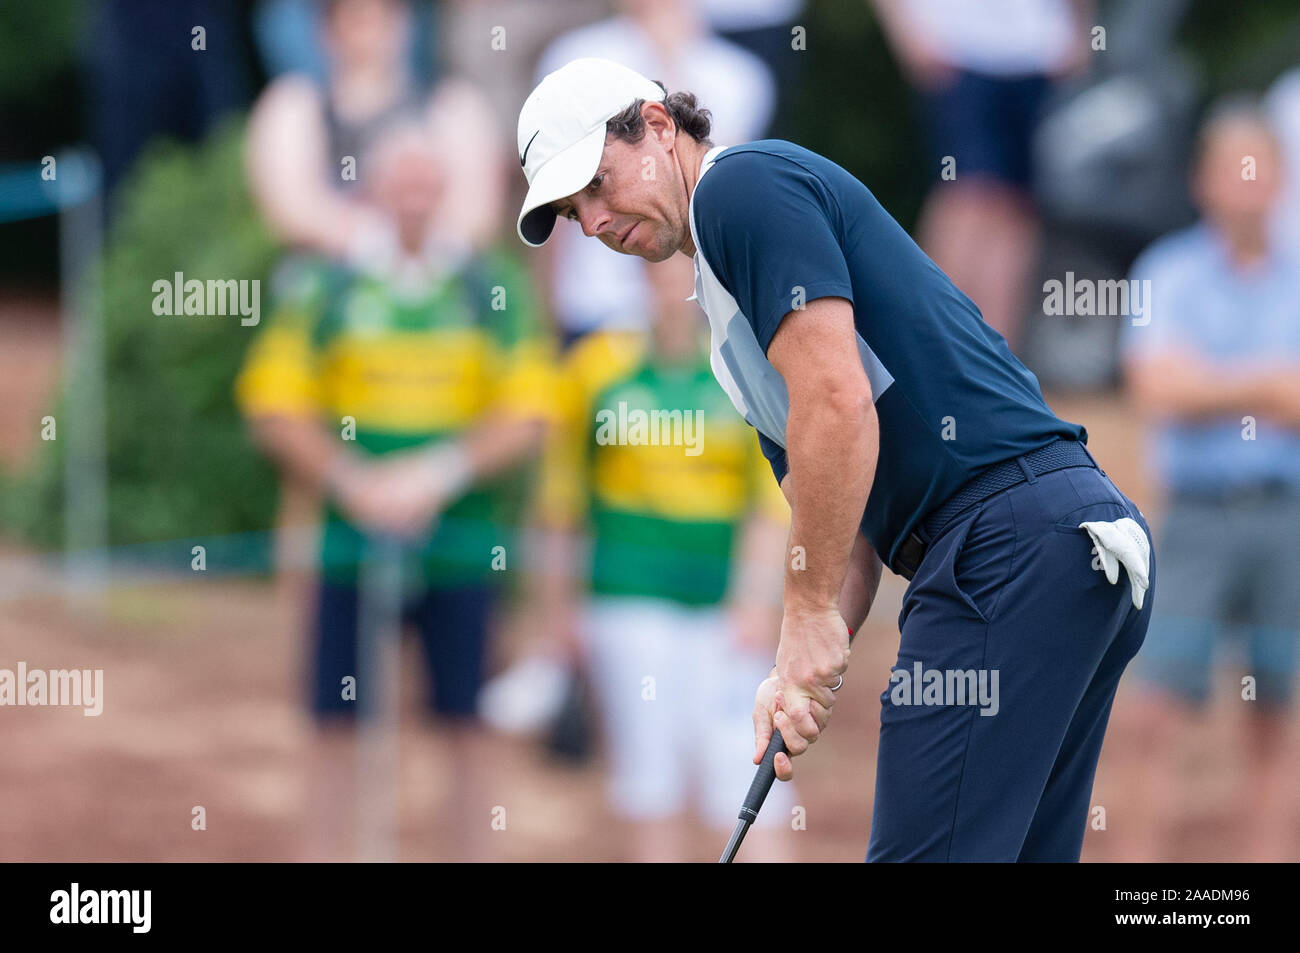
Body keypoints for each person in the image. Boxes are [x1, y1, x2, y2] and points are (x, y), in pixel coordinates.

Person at [514, 57, 1155, 862]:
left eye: (599, 184)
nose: (597, 221)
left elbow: (838, 402)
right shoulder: (728, 324)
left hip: (1006, 545)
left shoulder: (738, 190)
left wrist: (809, 613)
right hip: (1060, 549)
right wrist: (797, 668)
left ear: (659, 125)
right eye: (576, 213)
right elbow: (846, 526)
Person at [235, 122, 556, 860]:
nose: (412, 196)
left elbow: (531, 409)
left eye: (425, 181)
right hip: (347, 548)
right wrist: (353, 481)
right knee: (331, 723)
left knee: (468, 722)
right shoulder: (328, 283)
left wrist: (436, 474)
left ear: (442, 190)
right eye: (398, 180)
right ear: (371, 187)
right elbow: (273, 401)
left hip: (462, 550)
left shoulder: (486, 284)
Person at [535, 252, 793, 861]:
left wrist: (755, 602)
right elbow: (561, 503)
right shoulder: (593, 371)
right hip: (626, 600)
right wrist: (556, 611)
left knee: (751, 773)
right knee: (650, 781)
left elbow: (768, 502)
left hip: (723, 612)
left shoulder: (742, 372)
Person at [1122, 100, 1300, 863]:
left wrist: (1210, 385)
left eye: (1259, 168)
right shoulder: (1167, 269)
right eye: (1233, 169)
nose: (1248, 186)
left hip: (1286, 519)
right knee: (1152, 716)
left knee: (1281, 721)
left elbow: (1182, 385)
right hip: (1194, 518)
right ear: (1202, 181)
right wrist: (1267, 386)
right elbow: (1157, 390)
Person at [533, 0, 774, 347]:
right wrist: (550, 316)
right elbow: (557, 208)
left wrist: (669, 59)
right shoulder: (573, 55)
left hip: (697, 316)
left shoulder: (739, 75)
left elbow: (706, 178)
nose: (588, 224)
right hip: (595, 309)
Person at [870, 0, 1092, 351]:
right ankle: (924, 347)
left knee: (1018, 212)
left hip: (1039, 53)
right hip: (961, 50)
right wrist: (907, 32)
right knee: (966, 201)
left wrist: (1078, 27)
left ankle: (995, 360)